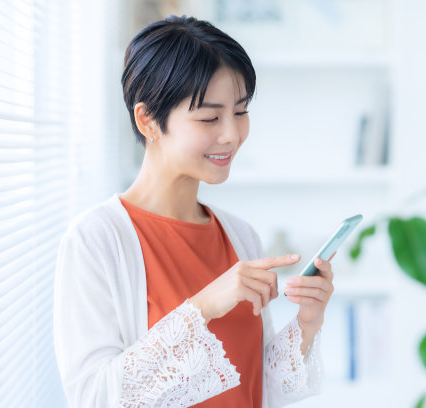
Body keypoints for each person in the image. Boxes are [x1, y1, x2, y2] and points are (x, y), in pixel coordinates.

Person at [53, 15, 335, 408]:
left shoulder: (240, 235)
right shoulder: (96, 240)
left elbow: (255, 385)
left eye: (240, 111)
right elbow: (93, 398)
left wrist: (307, 321)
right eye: (209, 117)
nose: (232, 134)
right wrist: (203, 306)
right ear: (147, 119)